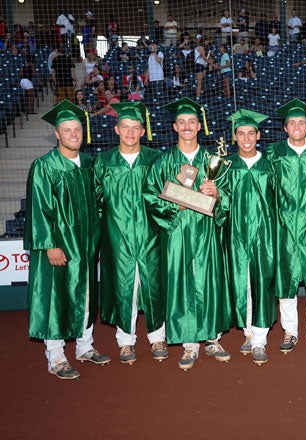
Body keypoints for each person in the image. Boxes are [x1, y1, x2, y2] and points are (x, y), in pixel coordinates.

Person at [25, 100, 111, 380]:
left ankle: (85, 347)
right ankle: (56, 356)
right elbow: (39, 208)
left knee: (86, 294)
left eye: (77, 129)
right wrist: (49, 243)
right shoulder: (45, 166)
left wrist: (96, 237)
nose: (74, 134)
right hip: (58, 245)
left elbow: (98, 204)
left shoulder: (89, 164)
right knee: (57, 297)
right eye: (67, 130)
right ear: (57, 134)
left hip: (85, 244)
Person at [144, 98, 231, 371]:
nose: (187, 126)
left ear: (199, 126)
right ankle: (189, 343)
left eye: (192, 122)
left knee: (208, 280)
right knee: (181, 282)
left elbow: (228, 199)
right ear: (174, 126)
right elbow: (149, 196)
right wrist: (176, 203)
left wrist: (217, 195)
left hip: (206, 233)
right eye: (182, 122)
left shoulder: (213, 161)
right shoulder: (163, 161)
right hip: (178, 234)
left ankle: (212, 338)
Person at [94, 103, 166, 365]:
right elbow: (97, 203)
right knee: (125, 288)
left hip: (150, 235)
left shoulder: (155, 159)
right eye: (125, 127)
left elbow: (166, 197)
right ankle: (125, 342)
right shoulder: (104, 162)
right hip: (118, 237)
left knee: (153, 286)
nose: (130, 132)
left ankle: (158, 336)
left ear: (143, 131)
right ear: (116, 130)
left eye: (136, 127)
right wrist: (106, 234)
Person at [265, 99, 306, 354]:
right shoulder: (275, 152)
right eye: (292, 122)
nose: (296, 126)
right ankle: (290, 331)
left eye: (301, 122)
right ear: (284, 127)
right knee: (286, 279)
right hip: (285, 225)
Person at [222, 109, 277, 365]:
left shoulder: (270, 166)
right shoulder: (226, 166)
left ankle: (260, 340)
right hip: (235, 234)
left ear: (258, 135)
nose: (246, 138)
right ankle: (248, 331)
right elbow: (220, 202)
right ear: (235, 137)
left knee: (262, 284)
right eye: (241, 133)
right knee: (241, 282)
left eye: (250, 133)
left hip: (264, 234)